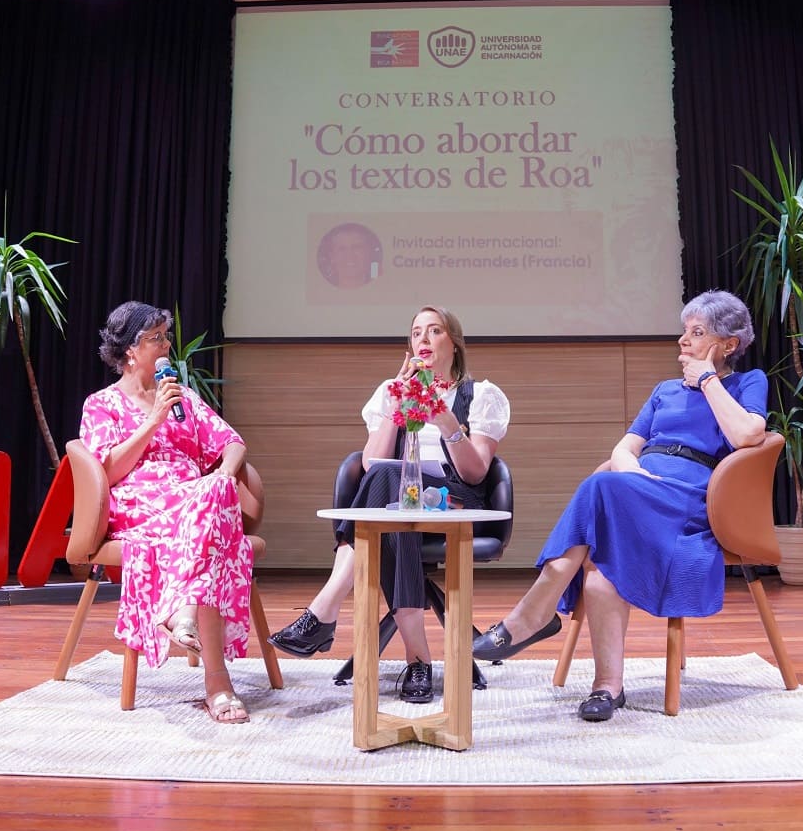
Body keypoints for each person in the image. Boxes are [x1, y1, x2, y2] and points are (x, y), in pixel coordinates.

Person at [473, 289, 768, 722]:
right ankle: (607, 688)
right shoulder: (664, 390)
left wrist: (707, 380)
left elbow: (747, 436)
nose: (683, 341)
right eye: (684, 331)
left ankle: (534, 614)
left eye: (697, 333)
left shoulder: (746, 382)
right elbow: (625, 447)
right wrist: (634, 475)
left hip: (689, 504)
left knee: (599, 486)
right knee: (600, 558)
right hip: (640, 488)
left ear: (728, 344)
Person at [269, 305, 510, 704]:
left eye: (435, 331)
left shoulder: (480, 395)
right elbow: (370, 463)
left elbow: (477, 473)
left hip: (453, 503)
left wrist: (447, 422)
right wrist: (397, 410)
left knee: (385, 490)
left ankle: (325, 613)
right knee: (388, 496)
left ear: (454, 343)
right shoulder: (389, 391)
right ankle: (418, 663)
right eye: (417, 333)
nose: (424, 339)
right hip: (398, 503)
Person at [79, 301, 253, 724]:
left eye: (166, 336)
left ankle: (181, 610)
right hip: (140, 503)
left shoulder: (183, 396)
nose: (166, 345)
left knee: (211, 497)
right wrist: (153, 421)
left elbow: (232, 443)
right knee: (213, 531)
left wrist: (226, 475)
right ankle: (217, 684)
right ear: (129, 351)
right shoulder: (101, 405)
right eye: (155, 338)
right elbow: (108, 470)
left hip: (195, 500)